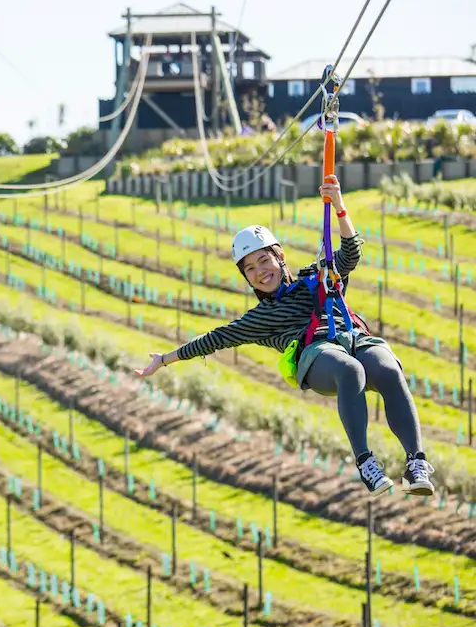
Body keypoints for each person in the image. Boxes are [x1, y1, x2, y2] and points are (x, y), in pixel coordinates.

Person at [133, 177, 434, 498]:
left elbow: (349, 255)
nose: (261, 271)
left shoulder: (316, 277)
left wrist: (340, 208)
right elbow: (214, 339)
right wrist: (164, 360)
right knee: (350, 370)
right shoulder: (260, 318)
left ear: (280, 257)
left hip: (353, 336)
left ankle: (416, 462)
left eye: (264, 260)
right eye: (250, 269)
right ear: (247, 278)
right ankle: (366, 462)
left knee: (387, 369)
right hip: (316, 355)